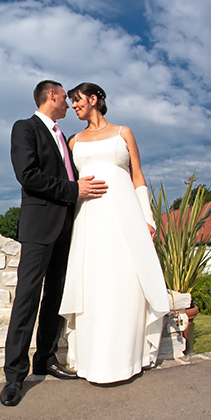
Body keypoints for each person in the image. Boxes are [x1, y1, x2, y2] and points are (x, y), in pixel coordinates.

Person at [0, 80, 108, 407]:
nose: (68, 104)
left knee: (56, 298)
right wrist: (74, 191)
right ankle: (15, 377)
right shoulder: (25, 128)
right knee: (27, 298)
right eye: (65, 98)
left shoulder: (66, 137)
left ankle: (45, 358)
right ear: (51, 96)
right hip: (39, 227)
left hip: (66, 227)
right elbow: (28, 175)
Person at [59, 82, 169, 384]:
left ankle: (126, 359)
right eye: (71, 102)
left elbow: (137, 175)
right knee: (93, 282)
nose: (75, 106)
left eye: (78, 100)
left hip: (125, 215)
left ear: (94, 99)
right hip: (90, 218)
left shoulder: (124, 133)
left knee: (126, 280)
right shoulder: (73, 141)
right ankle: (92, 360)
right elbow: (68, 181)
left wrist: (148, 217)